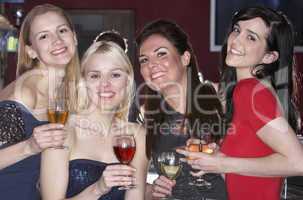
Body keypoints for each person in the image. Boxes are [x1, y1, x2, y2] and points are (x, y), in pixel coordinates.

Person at [177, 6, 303, 200]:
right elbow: (253, 166)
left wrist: (224, 164)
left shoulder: (251, 92)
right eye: (237, 30)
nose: (235, 40)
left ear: (269, 56)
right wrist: (216, 156)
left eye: (251, 37)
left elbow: (298, 163)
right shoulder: (252, 90)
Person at [40, 40, 148, 200]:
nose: (105, 84)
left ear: (127, 81)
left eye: (115, 75)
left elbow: (135, 196)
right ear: (83, 82)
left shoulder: (137, 135)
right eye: (95, 76)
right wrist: (98, 189)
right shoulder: (62, 132)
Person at [136, 19, 227, 200]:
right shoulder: (147, 115)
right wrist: (152, 191)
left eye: (161, 54)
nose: (151, 65)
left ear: (185, 58)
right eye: (144, 60)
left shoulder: (221, 102)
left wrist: (221, 162)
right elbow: (137, 191)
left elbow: (250, 174)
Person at [0, 4, 80, 200]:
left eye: (62, 30)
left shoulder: (65, 92)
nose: (57, 40)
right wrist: (30, 147)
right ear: (31, 51)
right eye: (44, 36)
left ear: (74, 37)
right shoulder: (23, 94)